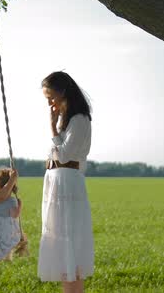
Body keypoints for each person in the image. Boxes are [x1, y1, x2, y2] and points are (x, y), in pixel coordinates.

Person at [38, 71, 94, 293]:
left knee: (68, 239)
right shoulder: (68, 120)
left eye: (51, 97)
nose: (50, 102)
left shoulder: (80, 120)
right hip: (58, 183)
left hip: (67, 184)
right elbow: (60, 151)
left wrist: (52, 127)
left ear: (63, 92)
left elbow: (63, 155)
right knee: (62, 242)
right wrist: (56, 128)